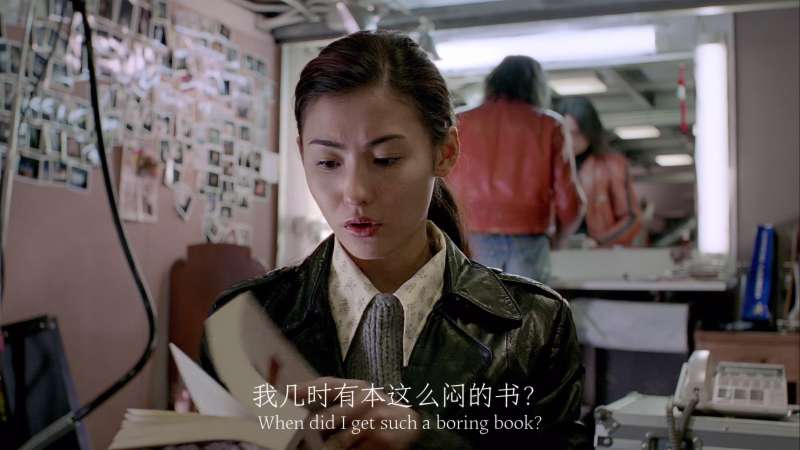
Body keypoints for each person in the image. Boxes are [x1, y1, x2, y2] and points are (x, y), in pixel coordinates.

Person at [203, 32, 590, 450]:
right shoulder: (244, 318)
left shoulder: (537, 324)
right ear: (302, 154)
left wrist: (425, 439)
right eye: (328, 162)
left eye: (385, 160)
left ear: (445, 152)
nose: (355, 192)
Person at [447, 56, 584, 282]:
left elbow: (439, 185)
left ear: (493, 81)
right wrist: (558, 239)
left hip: (471, 238)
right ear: (537, 86)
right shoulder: (549, 125)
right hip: (529, 240)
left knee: (475, 303)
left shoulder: (461, 121)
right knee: (527, 304)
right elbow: (570, 202)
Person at [555, 97, 643, 247]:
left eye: (577, 133)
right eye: (565, 133)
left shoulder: (613, 165)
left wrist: (599, 242)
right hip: (558, 252)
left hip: (599, 253)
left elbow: (631, 218)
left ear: (590, 132)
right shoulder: (552, 165)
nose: (570, 140)